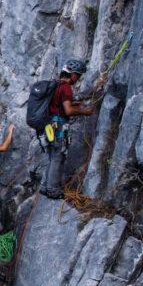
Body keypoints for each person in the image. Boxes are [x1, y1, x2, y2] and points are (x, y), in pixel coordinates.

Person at [43, 59, 94, 198]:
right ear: (72, 74)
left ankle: (45, 186)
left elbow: (58, 104)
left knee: (52, 156)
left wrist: (73, 103)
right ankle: (52, 190)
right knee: (58, 156)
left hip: (48, 125)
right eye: (78, 75)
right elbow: (68, 111)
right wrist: (85, 111)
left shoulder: (55, 84)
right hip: (58, 126)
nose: (78, 79)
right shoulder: (66, 87)